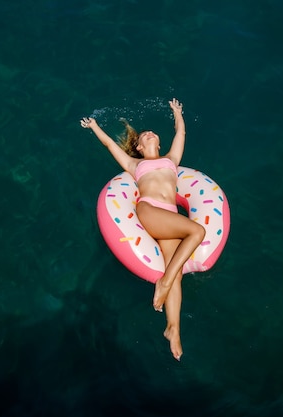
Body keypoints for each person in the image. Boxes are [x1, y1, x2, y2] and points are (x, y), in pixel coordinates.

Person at [80, 98, 205, 361]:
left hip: (169, 218)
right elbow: (109, 144)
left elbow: (181, 133)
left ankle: (173, 328)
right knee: (197, 232)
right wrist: (94, 126)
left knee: (178, 273)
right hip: (148, 211)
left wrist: (177, 113)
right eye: (144, 135)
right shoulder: (134, 165)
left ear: (158, 143)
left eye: (152, 133)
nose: (148, 133)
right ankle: (164, 281)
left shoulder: (172, 159)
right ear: (138, 146)